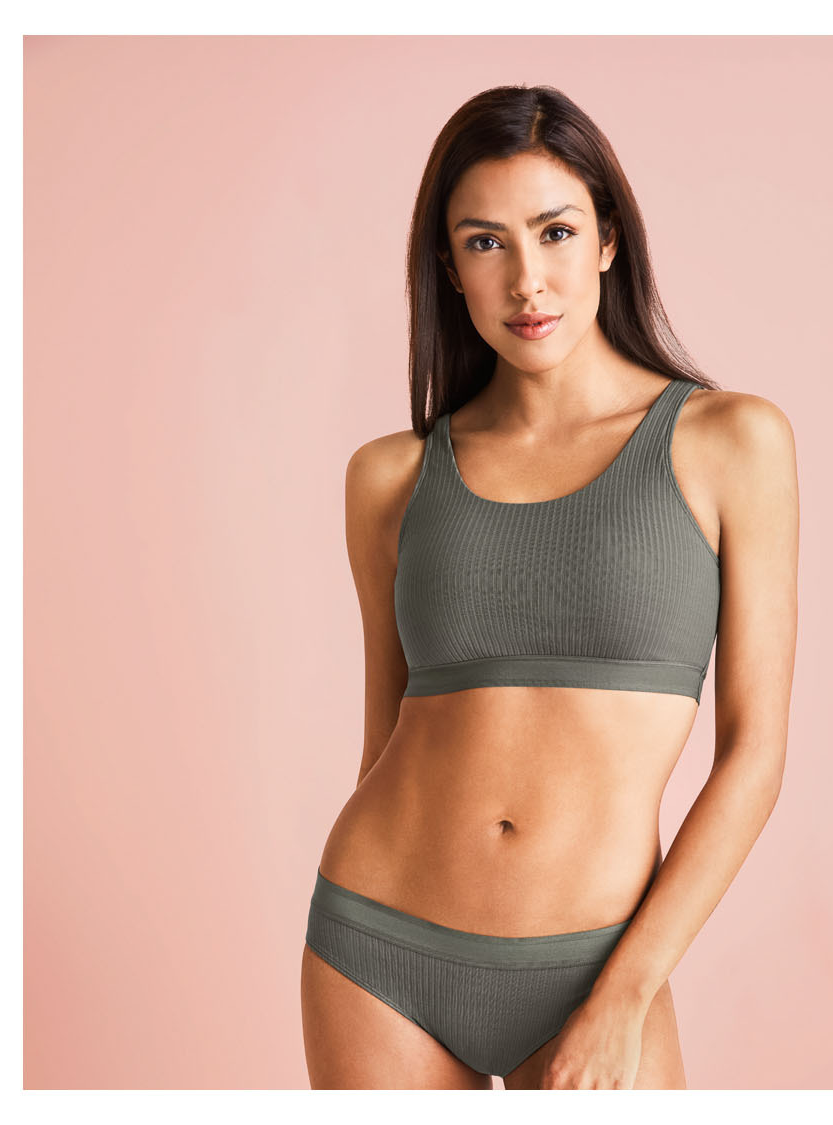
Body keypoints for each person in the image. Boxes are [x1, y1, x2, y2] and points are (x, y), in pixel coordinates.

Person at [299, 84, 799, 1090]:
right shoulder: (390, 477)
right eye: (485, 243)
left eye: (555, 231)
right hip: (378, 948)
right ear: (450, 269)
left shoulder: (730, 442)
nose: (527, 280)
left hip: (597, 964)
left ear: (608, 240)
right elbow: (386, 734)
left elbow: (754, 754)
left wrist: (624, 994)